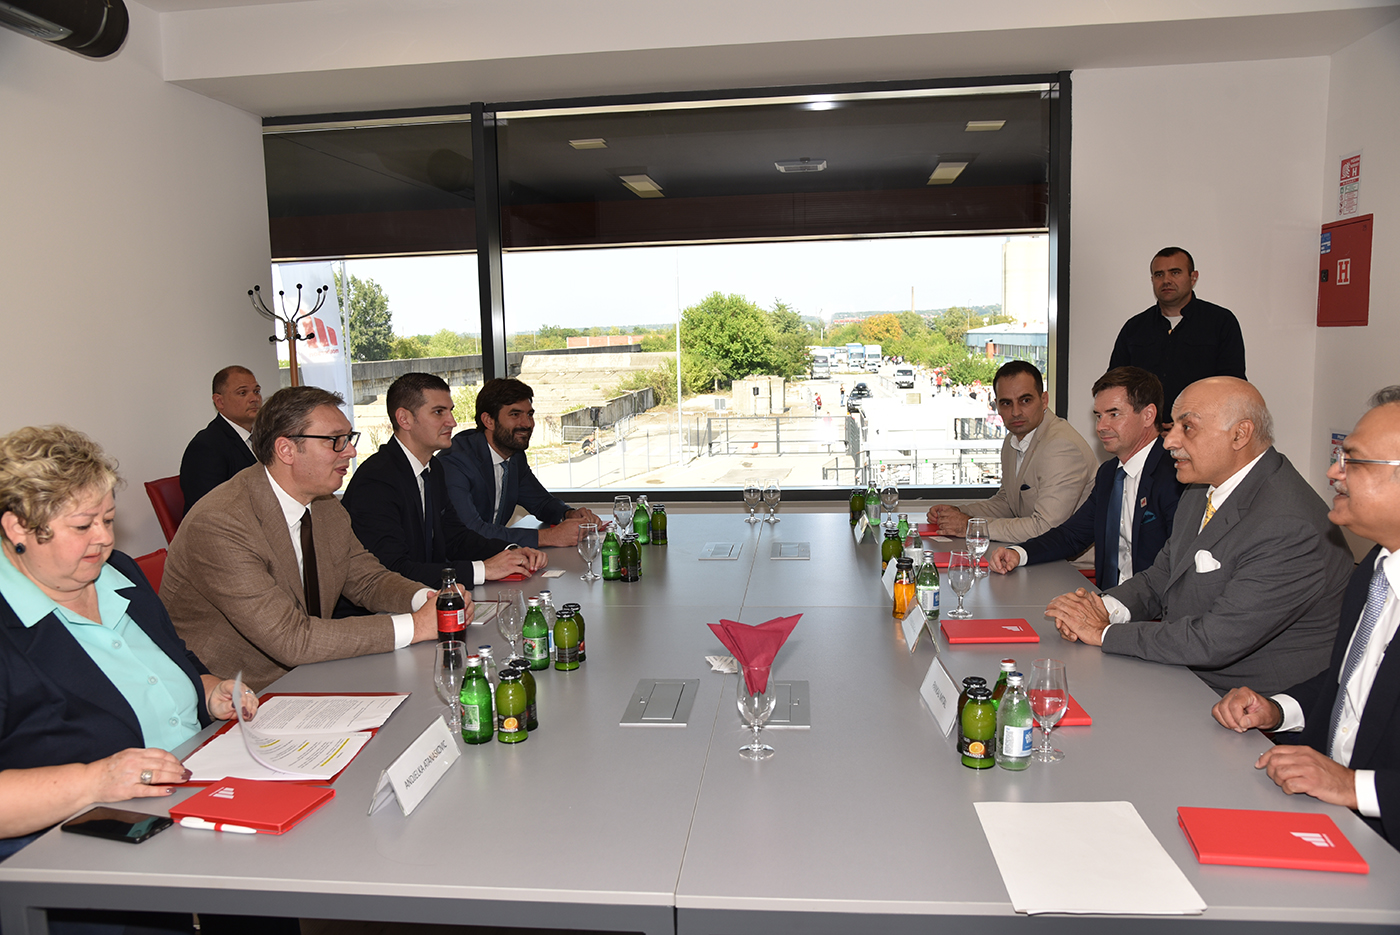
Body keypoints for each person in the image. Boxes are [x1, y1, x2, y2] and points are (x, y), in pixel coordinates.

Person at [0, 426, 261, 932]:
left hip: (196, 807)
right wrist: (93, 780)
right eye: (82, 525)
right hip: (78, 865)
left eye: (108, 519)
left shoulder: (118, 572)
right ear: (17, 528)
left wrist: (208, 691)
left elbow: (175, 661)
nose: (103, 538)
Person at [1047, 377, 1352, 695]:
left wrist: (1102, 633)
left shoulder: (1287, 525)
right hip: (1186, 675)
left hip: (1245, 703)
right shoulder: (1200, 487)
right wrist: (1103, 608)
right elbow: (1163, 574)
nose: (1168, 441)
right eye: (1172, 426)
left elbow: (1214, 640)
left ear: (1240, 434)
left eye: (1187, 427)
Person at [162, 386, 457, 691]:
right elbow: (290, 638)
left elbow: (367, 580)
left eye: (349, 438)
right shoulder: (221, 523)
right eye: (335, 440)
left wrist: (430, 600)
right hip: (241, 693)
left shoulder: (325, 505)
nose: (351, 452)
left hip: (312, 673)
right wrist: (416, 626)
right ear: (286, 450)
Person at [1212, 387, 1400, 848]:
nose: (1334, 472)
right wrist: (1277, 709)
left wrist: (1355, 787)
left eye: (1353, 461)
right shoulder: (1376, 569)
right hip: (1320, 814)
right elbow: (1349, 683)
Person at [341, 373, 545, 594]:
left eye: (450, 411)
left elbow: (456, 538)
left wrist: (511, 550)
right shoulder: (376, 480)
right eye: (439, 412)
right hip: (385, 609)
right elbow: (393, 570)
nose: (452, 422)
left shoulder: (433, 468)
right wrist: (483, 570)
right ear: (404, 419)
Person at [988, 367, 1183, 586]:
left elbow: (1175, 568)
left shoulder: (1176, 476)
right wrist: (1019, 553)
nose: (1101, 427)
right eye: (1098, 416)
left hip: (1152, 604)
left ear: (1148, 415)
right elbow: (1071, 535)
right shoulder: (1109, 473)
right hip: (1107, 597)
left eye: (1113, 414)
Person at [926, 360, 1097, 542]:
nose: (1015, 412)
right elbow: (1008, 502)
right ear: (997, 406)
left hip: (1068, 559)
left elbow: (1046, 527)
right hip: (1034, 552)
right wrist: (956, 513)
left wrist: (970, 526)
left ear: (1044, 400)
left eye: (1025, 401)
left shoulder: (1061, 446)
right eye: (1006, 403)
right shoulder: (1013, 440)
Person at [441, 378, 601, 548]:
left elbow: (541, 503)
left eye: (530, 415)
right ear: (489, 421)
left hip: (493, 554)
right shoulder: (455, 462)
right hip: (455, 560)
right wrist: (548, 536)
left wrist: (568, 514)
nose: (527, 424)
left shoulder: (514, 456)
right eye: (515, 415)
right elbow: (470, 531)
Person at [1108, 247, 1246, 418]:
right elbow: (1115, 385)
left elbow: (1232, 386)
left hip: (1201, 427)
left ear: (1193, 277)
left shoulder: (1221, 322)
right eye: (1159, 275)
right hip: (1146, 429)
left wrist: (1184, 424)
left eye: (1175, 273)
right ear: (1152, 280)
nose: (1166, 280)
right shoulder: (1135, 328)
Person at [178, 365, 262, 509]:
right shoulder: (205, 447)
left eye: (256, 391)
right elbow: (209, 509)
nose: (254, 398)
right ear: (219, 401)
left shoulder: (263, 437)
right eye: (242, 393)